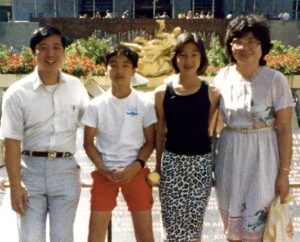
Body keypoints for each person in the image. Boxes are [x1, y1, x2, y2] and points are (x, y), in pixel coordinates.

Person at [0, 26, 89, 242]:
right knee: (30, 237)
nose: (50, 54)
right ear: (33, 52)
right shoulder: (17, 93)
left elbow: (92, 127)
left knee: (63, 237)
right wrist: (15, 185)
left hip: (65, 170)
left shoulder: (76, 87)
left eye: (56, 48)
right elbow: (11, 142)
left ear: (64, 52)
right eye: (43, 48)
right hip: (30, 170)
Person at [214, 14, 293, 242]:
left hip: (264, 157)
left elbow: (285, 130)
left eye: (252, 42)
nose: (245, 47)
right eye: (239, 40)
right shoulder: (223, 77)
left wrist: (284, 174)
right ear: (230, 45)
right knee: (233, 231)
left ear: (263, 46)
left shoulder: (275, 80)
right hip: (230, 156)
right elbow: (212, 121)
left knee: (260, 228)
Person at [81, 46, 157, 242]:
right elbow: (88, 143)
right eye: (113, 65)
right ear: (105, 69)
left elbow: (150, 142)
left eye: (125, 65)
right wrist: (103, 168)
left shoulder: (144, 103)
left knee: (145, 235)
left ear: (134, 70)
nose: (119, 71)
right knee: (95, 235)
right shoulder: (96, 105)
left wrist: (137, 165)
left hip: (136, 172)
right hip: (105, 173)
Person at [154, 32, 220, 241]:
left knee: (194, 227)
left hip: (200, 165)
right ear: (175, 57)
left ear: (202, 58)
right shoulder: (162, 92)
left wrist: (213, 167)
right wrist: (158, 167)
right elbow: (159, 134)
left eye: (194, 54)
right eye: (183, 54)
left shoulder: (213, 93)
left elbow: (211, 133)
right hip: (172, 164)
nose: (188, 60)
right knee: (172, 228)